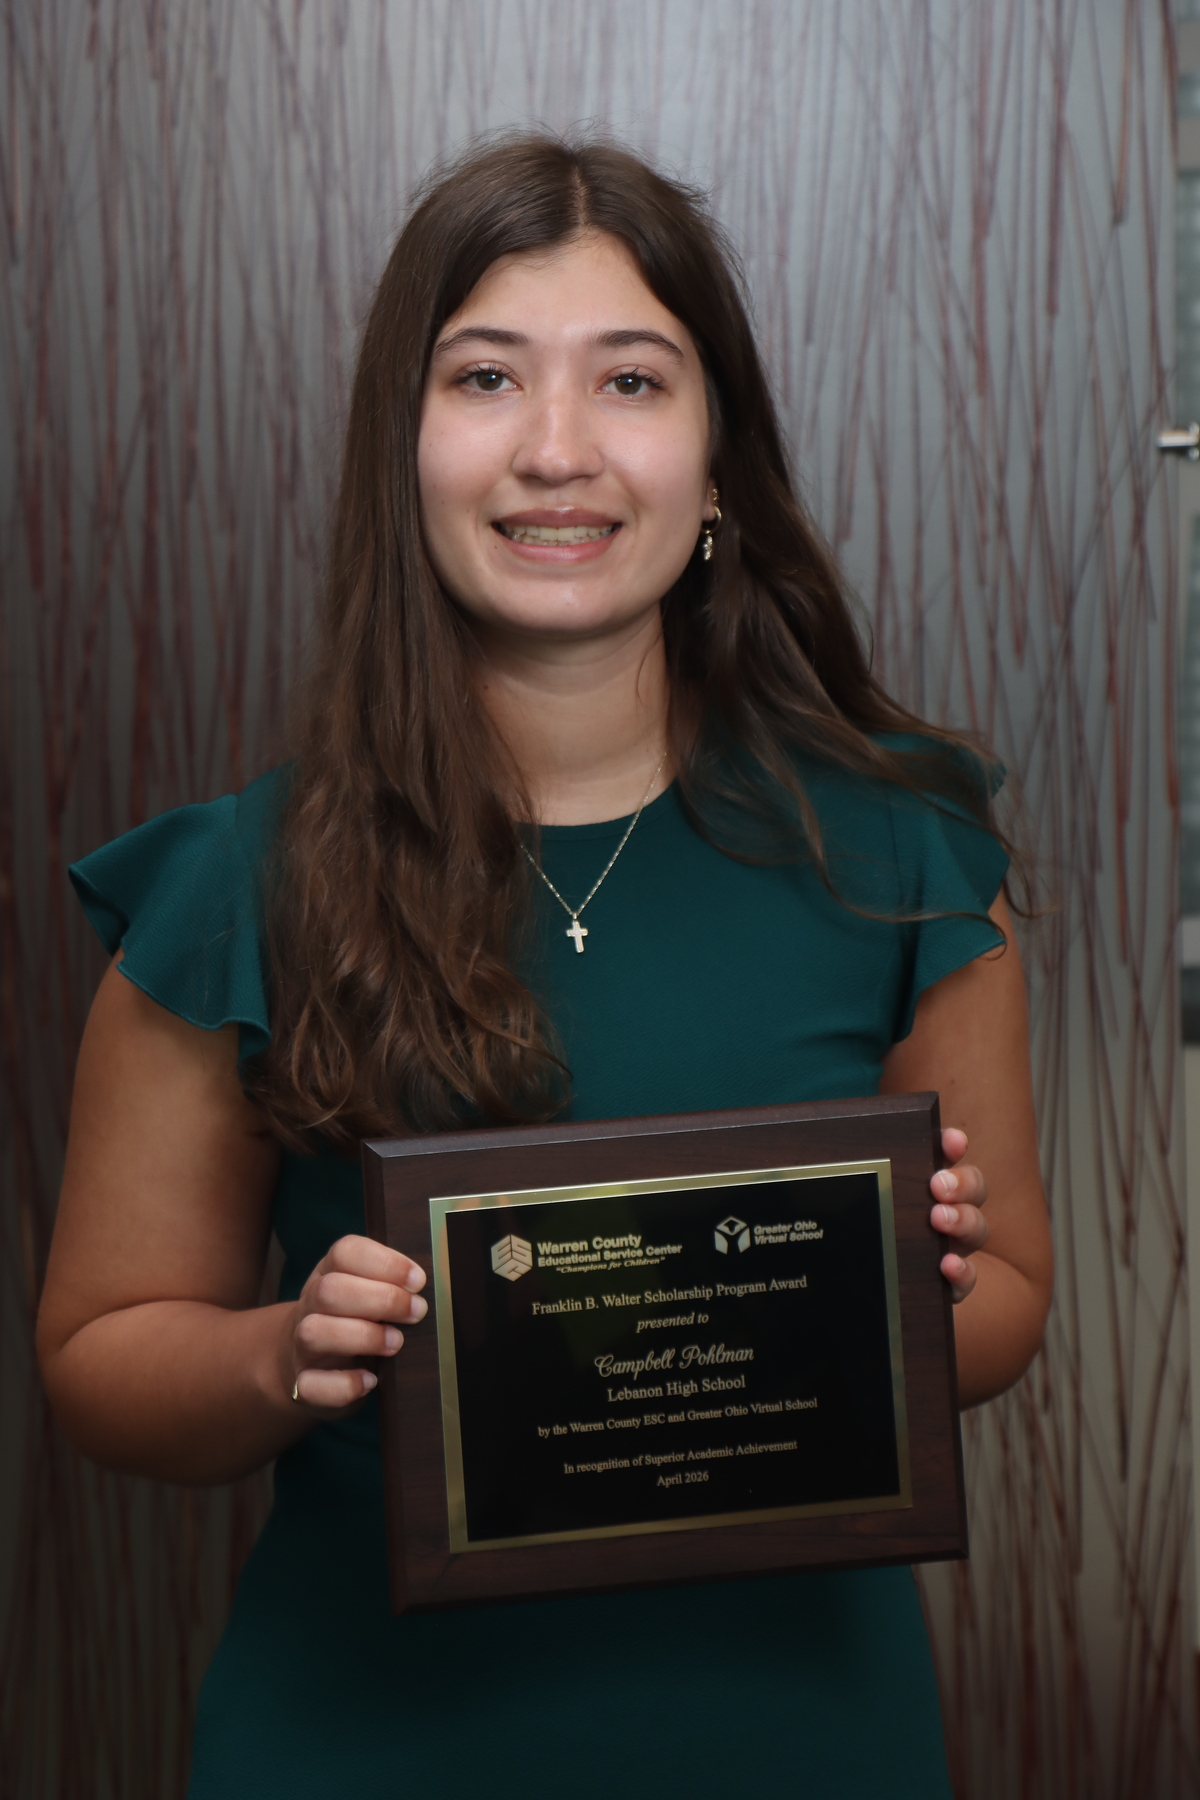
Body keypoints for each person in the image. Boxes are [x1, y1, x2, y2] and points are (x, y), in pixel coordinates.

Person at [38, 135, 1053, 1798]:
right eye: (487, 377)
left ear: (717, 463)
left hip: (802, 1740)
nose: (558, 450)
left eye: (632, 381)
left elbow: (1006, 1303)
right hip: (362, 1745)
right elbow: (102, 1356)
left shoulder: (902, 860)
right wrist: (286, 1351)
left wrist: (910, 1296)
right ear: (404, 450)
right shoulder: (235, 880)